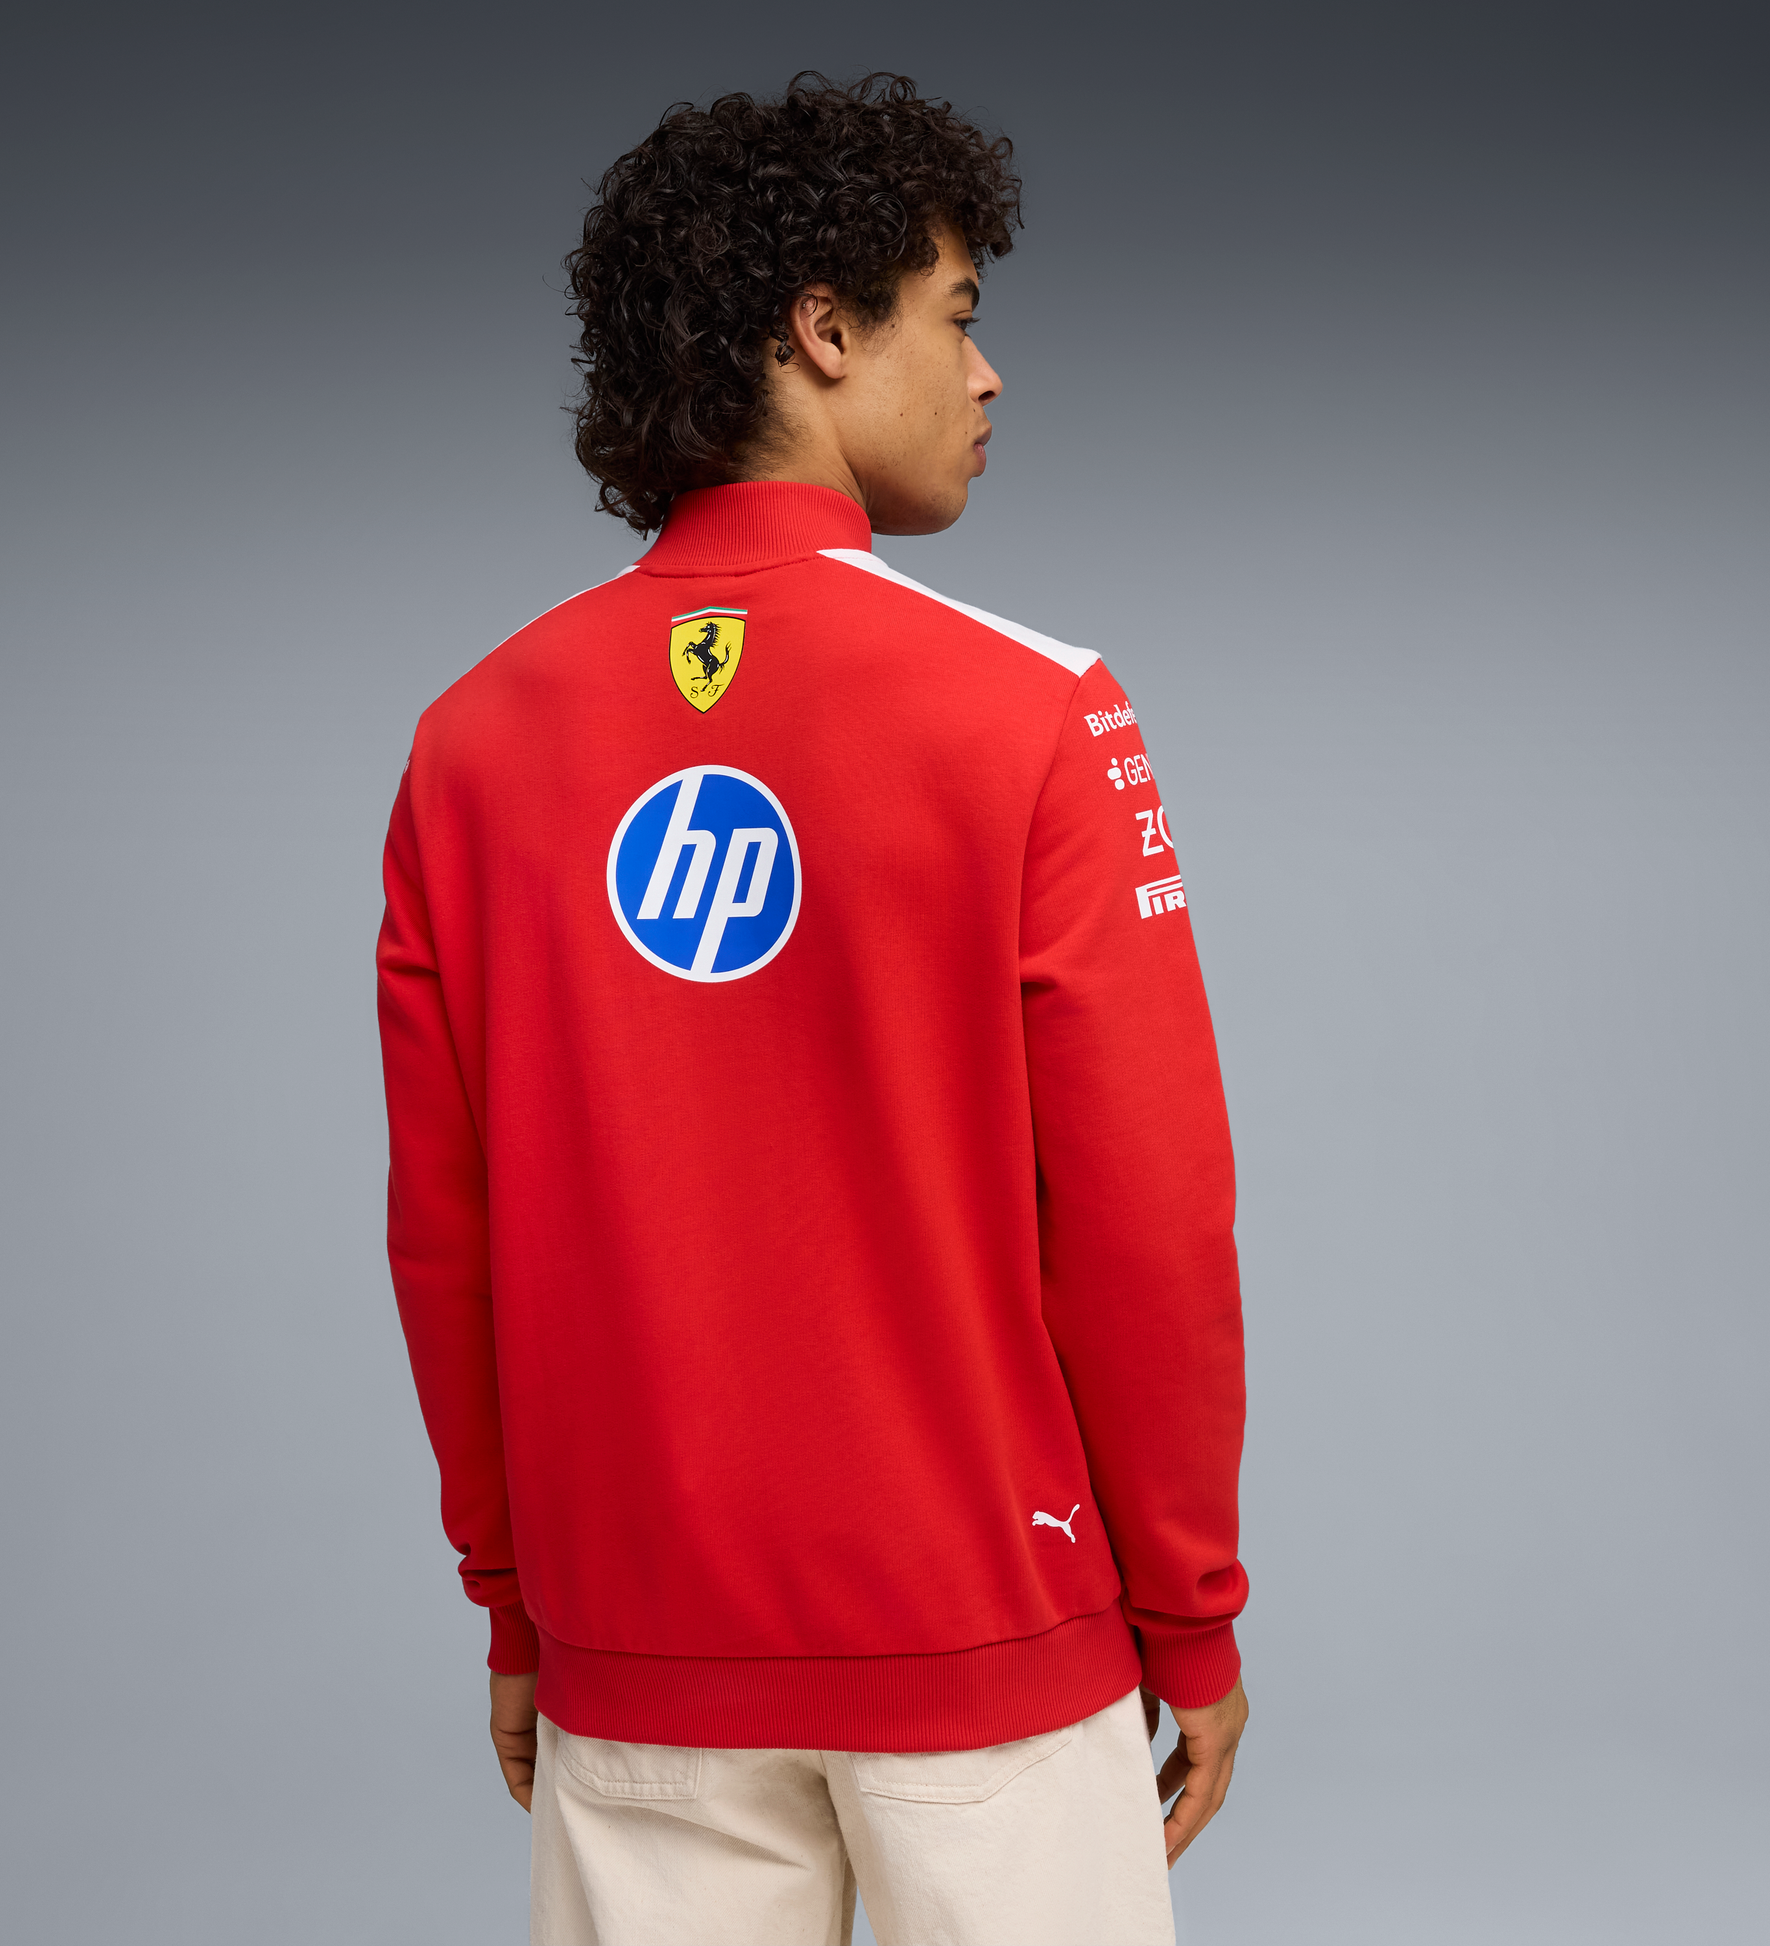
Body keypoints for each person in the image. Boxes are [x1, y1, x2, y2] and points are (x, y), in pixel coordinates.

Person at [377, 72, 1248, 1946]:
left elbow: (445, 1238)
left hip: (636, 1645)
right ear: (824, 330)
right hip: (985, 1645)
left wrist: (517, 1604)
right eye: (958, 313)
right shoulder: (1039, 709)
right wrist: (1189, 1611)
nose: (989, 375)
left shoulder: (471, 741)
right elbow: (1146, 1216)